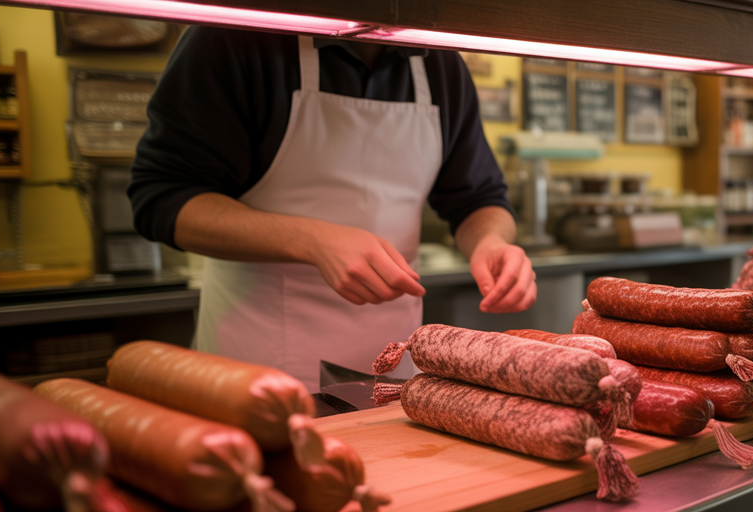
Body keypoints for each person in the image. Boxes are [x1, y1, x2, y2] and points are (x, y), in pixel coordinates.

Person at [129, 26, 536, 389]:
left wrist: (490, 242)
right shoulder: (234, 37)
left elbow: (478, 199)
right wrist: (312, 240)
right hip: (258, 367)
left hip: (393, 369)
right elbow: (162, 196)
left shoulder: (438, 60)